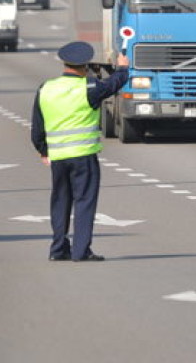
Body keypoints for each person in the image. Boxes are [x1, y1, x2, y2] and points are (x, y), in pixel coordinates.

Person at [31, 41, 130, 262]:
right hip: (83, 155)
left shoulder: (46, 87)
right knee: (84, 201)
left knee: (60, 202)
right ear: (85, 65)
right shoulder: (89, 88)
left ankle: (58, 249)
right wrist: (123, 68)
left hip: (58, 157)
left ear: (64, 63)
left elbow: (37, 126)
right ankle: (81, 250)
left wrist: (43, 150)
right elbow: (114, 84)